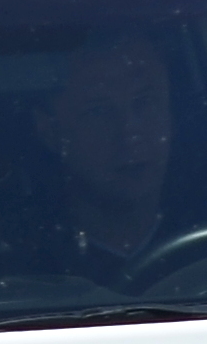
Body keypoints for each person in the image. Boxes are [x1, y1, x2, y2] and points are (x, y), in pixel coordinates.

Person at [36, 32, 182, 271]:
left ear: (171, 114)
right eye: (98, 112)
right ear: (50, 132)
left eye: (144, 102)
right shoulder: (22, 275)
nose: (129, 134)